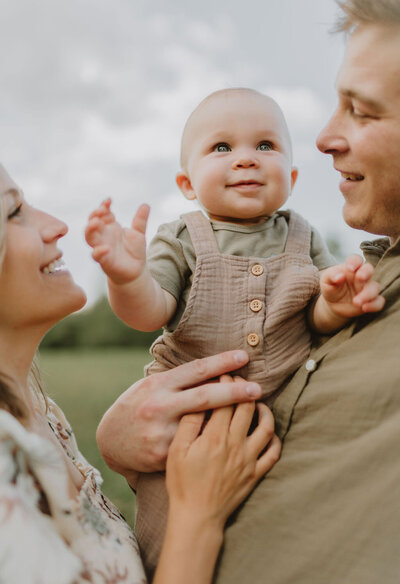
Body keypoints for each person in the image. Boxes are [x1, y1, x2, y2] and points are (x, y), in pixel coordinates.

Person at [96, 0, 400, 582]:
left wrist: (331, 305)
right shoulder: (185, 237)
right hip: (187, 433)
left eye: (265, 147)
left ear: (290, 178)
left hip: (245, 445)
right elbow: (153, 310)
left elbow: (315, 309)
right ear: (186, 183)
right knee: (157, 535)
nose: (245, 161)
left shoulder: (305, 237)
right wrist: (125, 276)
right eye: (221, 149)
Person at [0, 163, 282, 584]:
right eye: (13, 211)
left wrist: (126, 455)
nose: (58, 226)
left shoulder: (41, 413)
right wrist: (198, 514)